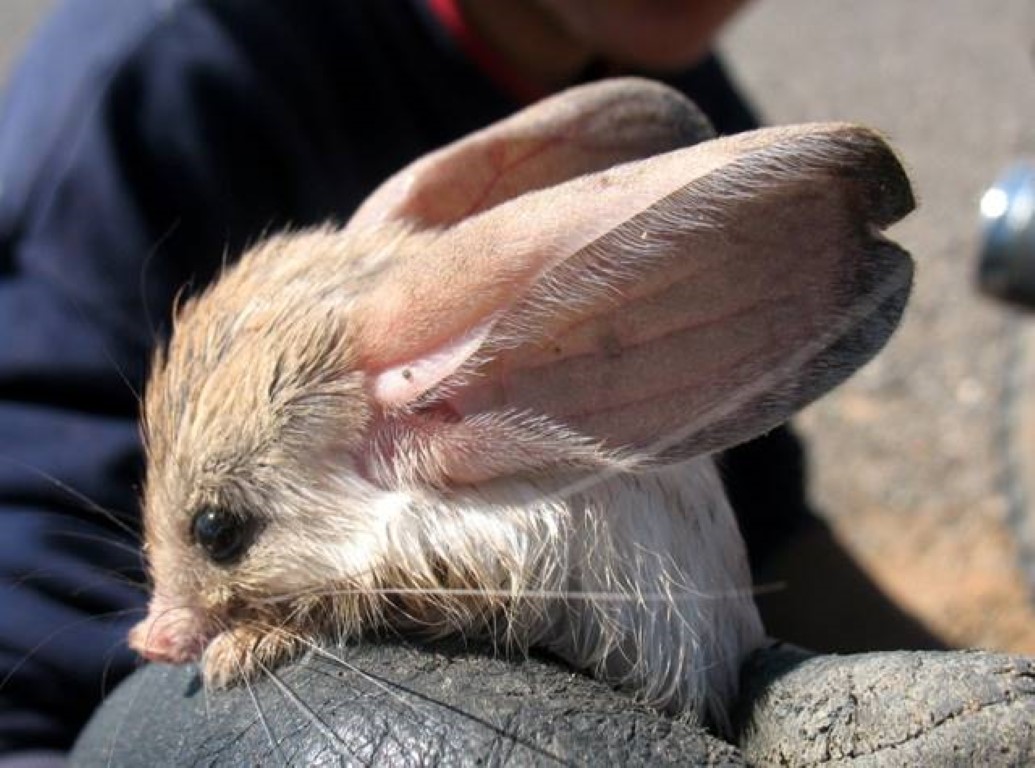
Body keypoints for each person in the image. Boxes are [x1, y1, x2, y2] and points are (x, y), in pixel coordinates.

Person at [0, 0, 937, 762]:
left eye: (221, 531)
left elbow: (769, 511)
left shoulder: (668, 80)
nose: (159, 634)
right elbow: (26, 585)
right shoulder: (174, 68)